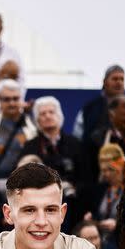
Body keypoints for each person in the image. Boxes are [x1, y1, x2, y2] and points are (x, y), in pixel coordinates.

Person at [20, 96, 85, 227]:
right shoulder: (30, 146)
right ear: (37, 120)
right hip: (41, 202)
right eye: (43, 114)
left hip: (74, 203)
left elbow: (86, 176)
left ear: (59, 116)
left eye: (51, 112)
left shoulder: (75, 144)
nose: (47, 116)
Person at [0, 79, 37, 190]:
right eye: (7, 99)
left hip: (27, 184)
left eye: (15, 99)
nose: (12, 103)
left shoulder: (31, 123)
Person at [73, 64, 125, 143]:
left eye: (122, 79)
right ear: (104, 82)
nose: (119, 82)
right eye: (115, 79)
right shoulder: (89, 108)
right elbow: (77, 137)